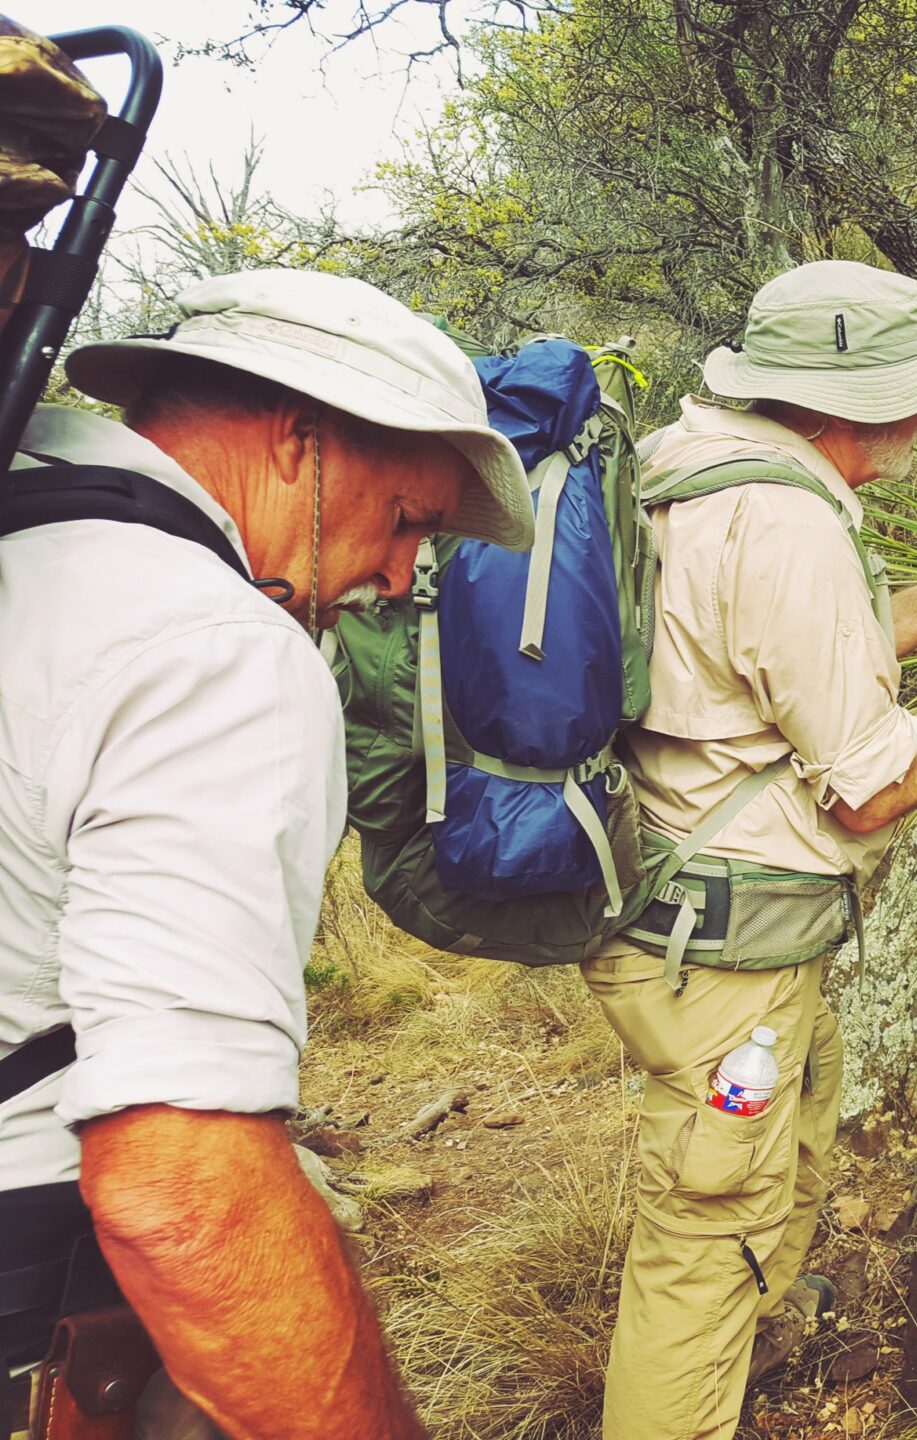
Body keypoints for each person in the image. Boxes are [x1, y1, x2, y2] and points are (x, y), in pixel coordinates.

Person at [0, 268, 536, 1438]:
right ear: (300, 439)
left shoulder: (27, 529)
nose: (398, 580)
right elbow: (178, 1190)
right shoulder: (212, 642)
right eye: (407, 522)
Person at [584, 259, 917, 1440]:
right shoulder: (786, 521)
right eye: (914, 393)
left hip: (701, 930)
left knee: (778, 1153)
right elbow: (871, 788)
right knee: (704, 1238)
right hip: (723, 962)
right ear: (841, 404)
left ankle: (746, 1347)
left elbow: (760, 664)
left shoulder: (685, 467)